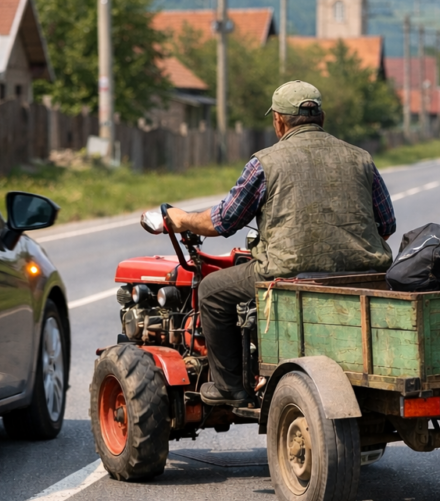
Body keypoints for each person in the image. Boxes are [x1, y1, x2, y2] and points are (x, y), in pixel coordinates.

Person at [166, 80, 396, 405]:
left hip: (286, 274)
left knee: (211, 291)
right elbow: (387, 225)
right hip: (363, 276)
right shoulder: (361, 158)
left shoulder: (265, 162)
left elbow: (223, 221)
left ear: (278, 121)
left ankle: (229, 387)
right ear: (322, 118)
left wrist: (182, 218)